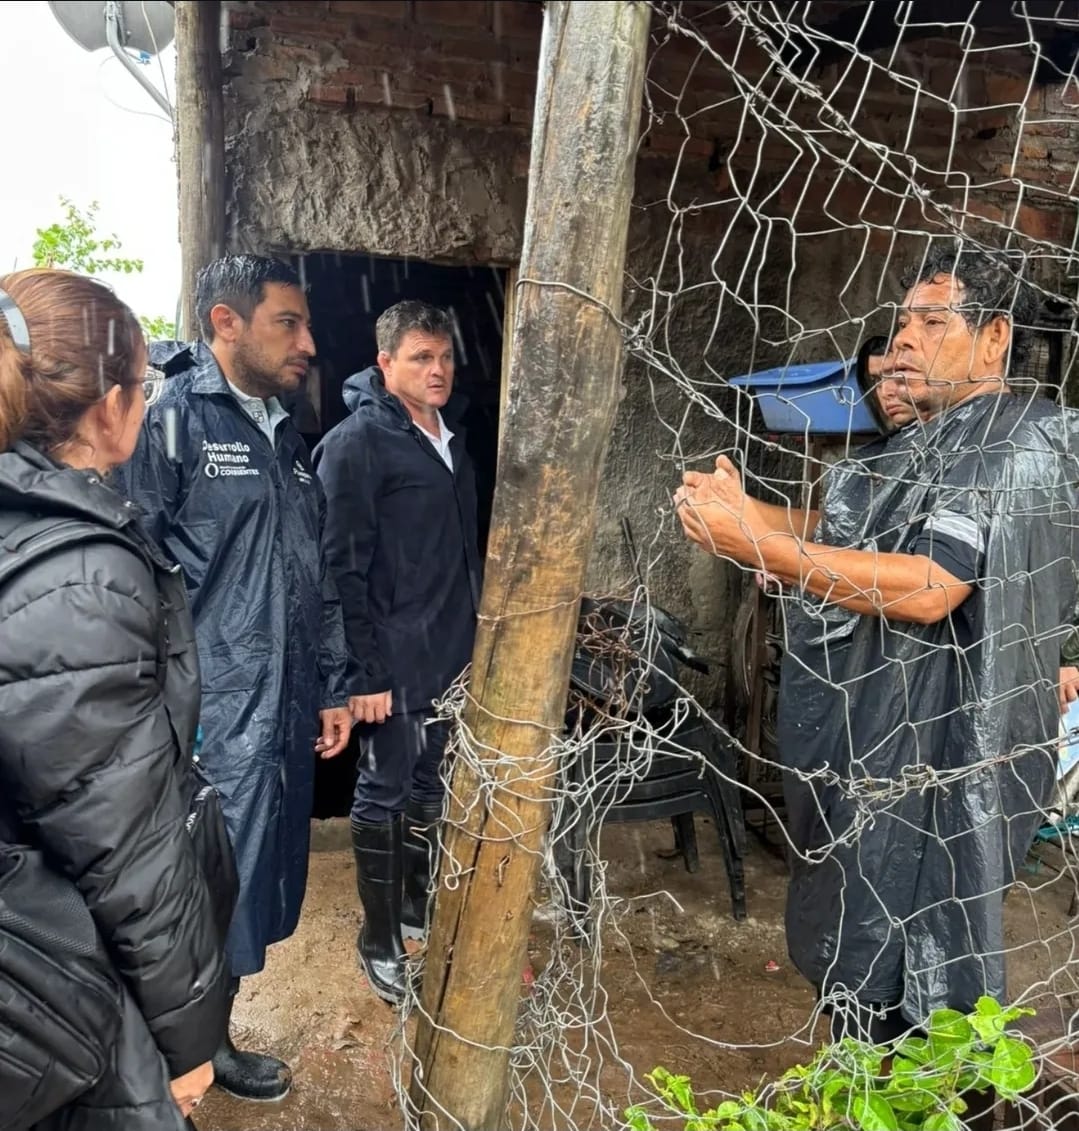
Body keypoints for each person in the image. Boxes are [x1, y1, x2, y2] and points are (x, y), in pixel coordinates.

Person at [676, 243, 1079, 1046]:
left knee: (918, 966)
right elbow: (856, 532)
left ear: (994, 337)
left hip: (945, 748)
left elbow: (930, 585)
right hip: (888, 738)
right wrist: (746, 513)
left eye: (931, 323)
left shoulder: (1008, 442)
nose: (904, 343)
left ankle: (914, 1083)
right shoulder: (938, 441)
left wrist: (760, 546)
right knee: (866, 944)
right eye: (901, 325)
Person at [113, 255, 353, 1102]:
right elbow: (131, 568)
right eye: (288, 322)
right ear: (226, 321)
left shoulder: (286, 434)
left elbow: (315, 570)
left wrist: (331, 683)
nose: (308, 342)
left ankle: (210, 1038)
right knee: (194, 883)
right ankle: (163, 1063)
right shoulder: (171, 420)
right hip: (207, 707)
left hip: (281, 702)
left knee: (251, 880)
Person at [0, 269, 231, 1128]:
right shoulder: (79, 581)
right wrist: (186, 1038)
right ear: (109, 408)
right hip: (65, 985)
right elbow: (125, 849)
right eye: (144, 381)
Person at [314, 300, 482, 1006]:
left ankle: (416, 906)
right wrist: (363, 673)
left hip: (450, 654)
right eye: (420, 357)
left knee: (428, 787)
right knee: (382, 793)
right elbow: (338, 570)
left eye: (444, 356)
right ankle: (378, 939)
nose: (437, 369)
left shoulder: (448, 436)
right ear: (385, 364)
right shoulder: (357, 444)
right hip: (391, 661)